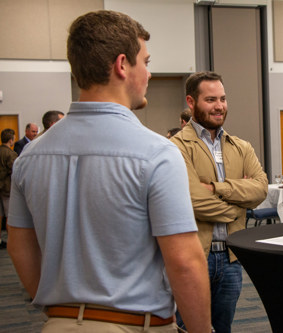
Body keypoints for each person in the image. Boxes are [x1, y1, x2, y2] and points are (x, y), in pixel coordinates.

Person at [7, 10, 210, 333]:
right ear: (121, 65)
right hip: (136, 324)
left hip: (57, 324)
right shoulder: (157, 153)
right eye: (146, 61)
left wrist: (65, 312)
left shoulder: (30, 155)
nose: (149, 74)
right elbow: (184, 263)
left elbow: (20, 247)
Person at [170, 71, 268, 333]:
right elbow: (192, 201)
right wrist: (238, 206)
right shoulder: (176, 147)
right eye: (211, 99)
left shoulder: (241, 147)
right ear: (191, 102)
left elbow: (260, 189)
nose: (219, 106)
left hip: (230, 258)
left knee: (223, 327)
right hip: (194, 256)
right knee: (187, 328)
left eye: (223, 99)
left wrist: (214, 187)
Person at [0, 128, 17, 249]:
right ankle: (12, 240)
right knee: (9, 216)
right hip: (7, 189)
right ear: (11, 140)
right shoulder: (11, 154)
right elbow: (15, 171)